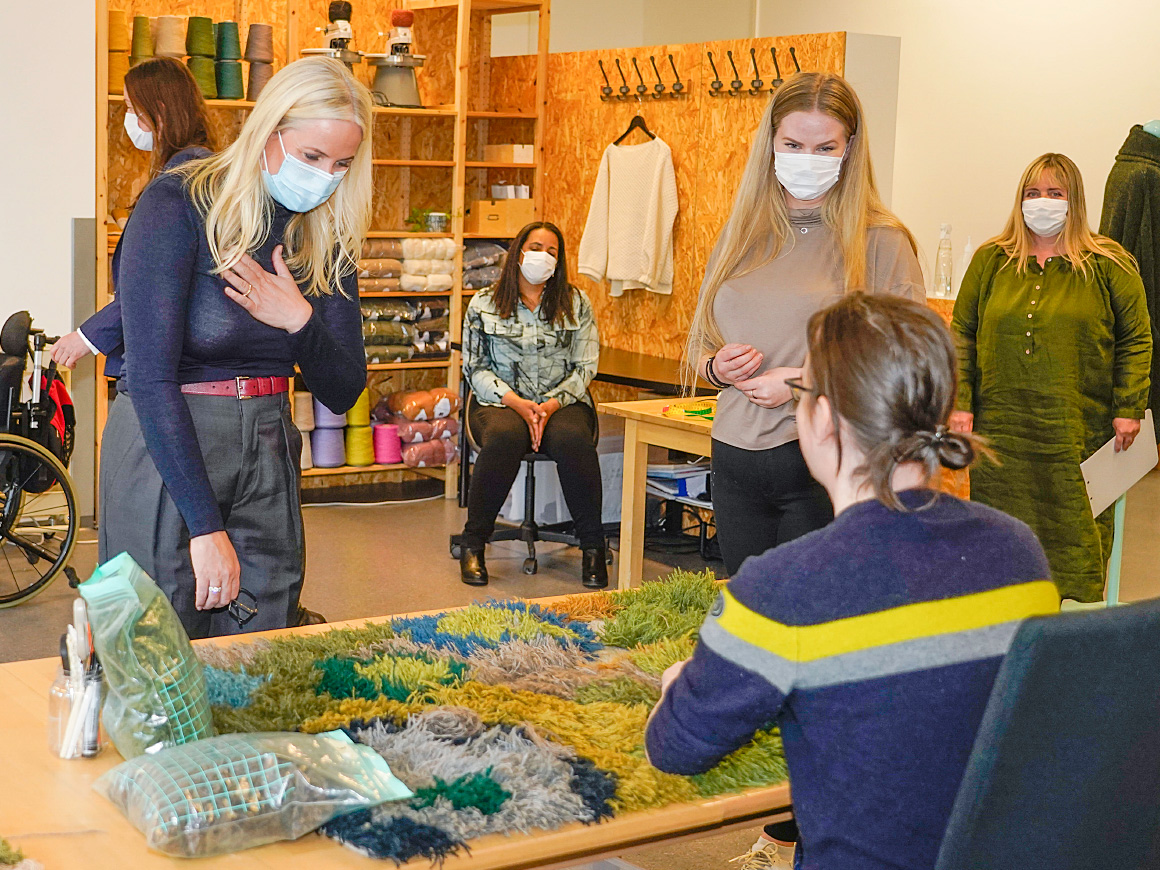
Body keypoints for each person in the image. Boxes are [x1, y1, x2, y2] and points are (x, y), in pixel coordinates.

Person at [647, 293, 1060, 870]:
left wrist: (678, 683)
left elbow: (674, 748)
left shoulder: (779, 587)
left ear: (822, 418)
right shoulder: (1019, 553)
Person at [97, 57, 370, 638]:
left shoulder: (324, 234)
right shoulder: (180, 202)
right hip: (169, 444)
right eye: (312, 156)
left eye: (342, 164)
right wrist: (204, 527)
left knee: (265, 641)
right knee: (159, 643)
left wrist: (298, 320)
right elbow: (149, 377)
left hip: (268, 442)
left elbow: (344, 389)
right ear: (268, 132)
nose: (326, 176)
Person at [687, 71, 925, 579]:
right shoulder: (740, 234)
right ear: (770, 143)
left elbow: (906, 365)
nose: (807, 159)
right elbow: (698, 343)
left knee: (809, 612)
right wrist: (715, 368)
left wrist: (803, 381)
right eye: (793, 145)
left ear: (849, 149)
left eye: (825, 148)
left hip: (825, 464)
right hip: (734, 458)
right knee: (749, 606)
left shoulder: (881, 240)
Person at [951, 153, 1152, 603]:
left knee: (1076, 536)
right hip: (1001, 435)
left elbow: (1137, 338)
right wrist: (960, 402)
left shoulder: (1108, 264)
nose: (1043, 202)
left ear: (1073, 199)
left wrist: (1129, 407)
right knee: (998, 538)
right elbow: (962, 332)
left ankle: (1068, 629)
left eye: (1055, 193)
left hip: (1077, 433)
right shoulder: (991, 260)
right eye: (1033, 193)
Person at [459, 221, 604, 588]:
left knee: (573, 441)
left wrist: (550, 406)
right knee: (504, 438)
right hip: (499, 401)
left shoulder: (576, 303)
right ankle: (473, 543)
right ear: (518, 253)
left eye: (552, 251)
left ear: (559, 261)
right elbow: (474, 368)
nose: (543, 256)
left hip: (562, 401)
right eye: (536, 247)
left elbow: (585, 367)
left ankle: (592, 546)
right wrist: (517, 403)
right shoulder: (484, 303)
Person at [51, 57, 216, 373]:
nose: (129, 119)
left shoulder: (181, 180)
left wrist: (87, 337)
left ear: (160, 110)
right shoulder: (191, 171)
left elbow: (156, 283)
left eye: (131, 108)